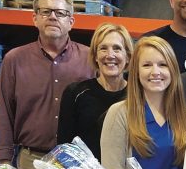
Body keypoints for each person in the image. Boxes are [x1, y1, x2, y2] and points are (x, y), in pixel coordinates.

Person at [0, 0, 94, 169]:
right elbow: (3, 111)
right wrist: (3, 161)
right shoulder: (14, 59)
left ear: (71, 22)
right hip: (30, 160)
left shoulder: (90, 59)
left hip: (77, 163)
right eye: (46, 12)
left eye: (60, 13)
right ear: (35, 18)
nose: (53, 17)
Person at [100, 36, 186, 169]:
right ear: (136, 72)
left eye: (162, 64)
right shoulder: (120, 113)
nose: (155, 72)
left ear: (173, 70)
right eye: (146, 65)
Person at [57, 22, 133, 160]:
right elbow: (64, 148)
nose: (110, 55)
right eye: (103, 49)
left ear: (127, 56)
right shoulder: (76, 93)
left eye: (117, 49)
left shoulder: (138, 95)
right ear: (95, 56)